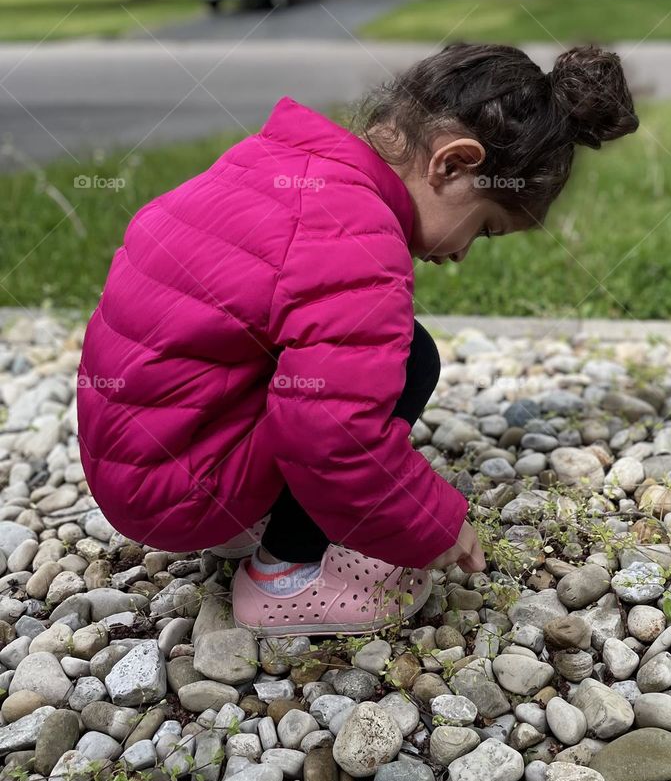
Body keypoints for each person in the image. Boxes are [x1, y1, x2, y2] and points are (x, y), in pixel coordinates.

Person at [76, 41, 638, 636]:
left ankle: (250, 520)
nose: (462, 253)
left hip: (140, 460)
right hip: (179, 491)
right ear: (451, 165)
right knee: (410, 358)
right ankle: (283, 578)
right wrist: (433, 522)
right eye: (484, 228)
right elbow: (333, 436)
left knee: (341, 362)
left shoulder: (274, 160)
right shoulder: (357, 232)